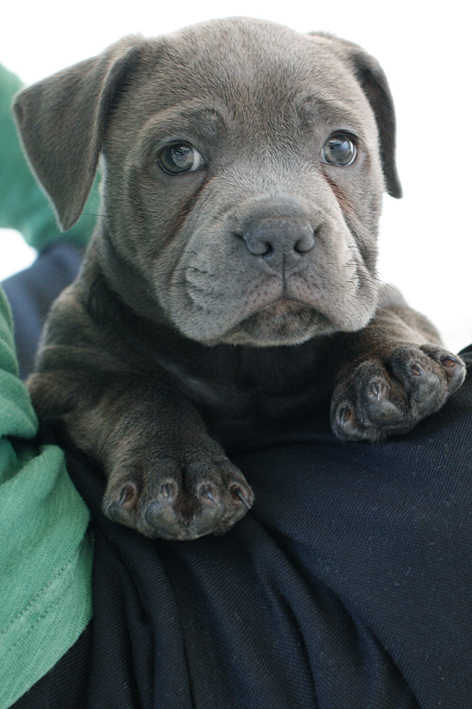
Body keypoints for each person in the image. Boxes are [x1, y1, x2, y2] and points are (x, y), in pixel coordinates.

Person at [1, 63, 472, 709]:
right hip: (137, 303)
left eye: (338, 149)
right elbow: (68, 385)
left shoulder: (363, 310)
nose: (285, 224)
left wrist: (383, 342)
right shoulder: (90, 330)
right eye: (180, 154)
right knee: (83, 271)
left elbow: (392, 314)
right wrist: (145, 419)